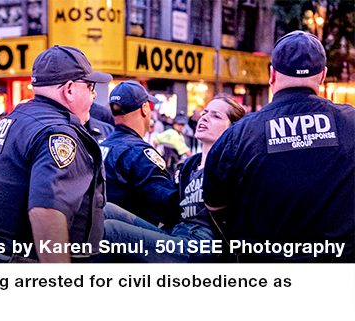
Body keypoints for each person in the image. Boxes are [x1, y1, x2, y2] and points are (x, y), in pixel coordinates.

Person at [204, 31, 355, 262]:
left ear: (272, 74)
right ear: (322, 76)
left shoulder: (238, 135)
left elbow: (214, 207)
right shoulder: (351, 123)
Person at [0, 45, 110, 263]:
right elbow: (46, 212)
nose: (93, 94)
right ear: (70, 89)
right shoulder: (58, 133)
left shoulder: (17, 117)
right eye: (90, 86)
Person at [97, 94, 245, 262]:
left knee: (112, 230)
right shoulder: (188, 166)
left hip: (202, 245)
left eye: (216, 116)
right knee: (104, 210)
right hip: (177, 233)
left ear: (233, 128)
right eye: (205, 113)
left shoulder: (233, 166)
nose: (205, 118)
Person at [100, 80, 181, 228]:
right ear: (144, 109)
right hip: (131, 245)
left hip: (98, 241)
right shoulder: (139, 154)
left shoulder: (100, 147)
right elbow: (169, 207)